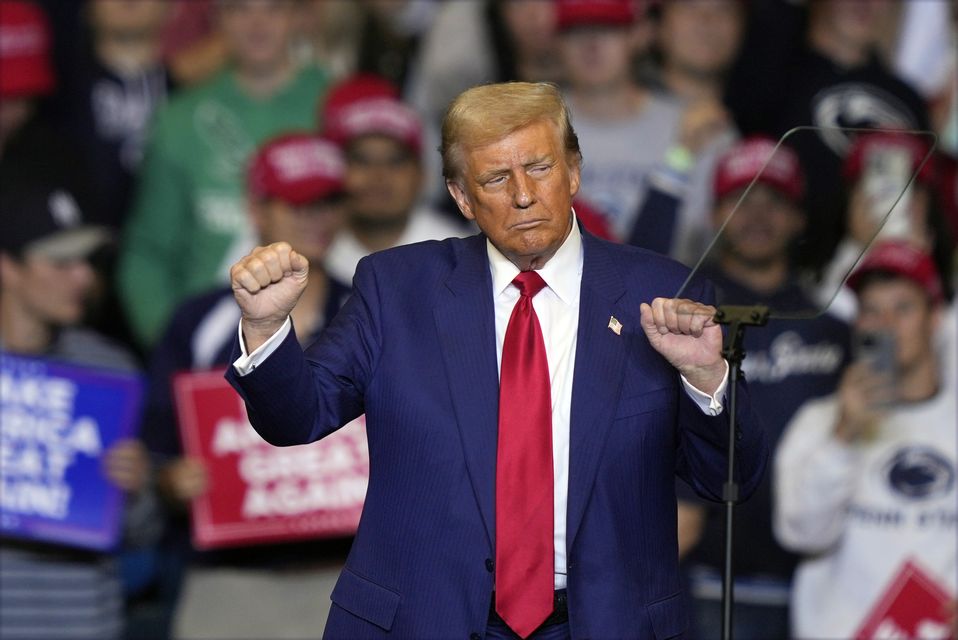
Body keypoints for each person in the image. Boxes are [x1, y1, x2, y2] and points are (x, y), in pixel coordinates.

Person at [225, 81, 767, 639]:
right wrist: (266, 327)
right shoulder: (398, 288)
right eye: (496, 179)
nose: (524, 195)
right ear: (462, 197)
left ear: (574, 171)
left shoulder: (662, 291)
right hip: (420, 620)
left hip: (606, 623)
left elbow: (728, 480)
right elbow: (296, 419)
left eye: (539, 167)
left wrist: (707, 376)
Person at [141, 133, 353, 639]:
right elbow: (156, 446)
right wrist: (172, 480)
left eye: (328, 201)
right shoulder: (199, 321)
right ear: (256, 208)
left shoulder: (371, 309)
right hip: (229, 583)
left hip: (347, 578)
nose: (315, 217)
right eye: (297, 203)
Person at [668, 137, 851, 639]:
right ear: (715, 212)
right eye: (740, 199)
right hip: (700, 575)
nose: (757, 214)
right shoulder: (684, 311)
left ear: (799, 218)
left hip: (813, 583)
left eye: (774, 200)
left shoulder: (830, 325)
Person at [117, 0, 331, 349]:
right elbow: (147, 251)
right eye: (239, 9)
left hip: (323, 340)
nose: (257, 23)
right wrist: (173, 343)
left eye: (273, 9)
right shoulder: (179, 119)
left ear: (299, 16)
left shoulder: (333, 104)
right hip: (208, 347)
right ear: (217, 20)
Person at [0, 176, 157, 640]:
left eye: (86, 262)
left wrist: (135, 488)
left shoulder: (109, 367)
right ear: (7, 267)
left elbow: (141, 533)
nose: (85, 277)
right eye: (62, 262)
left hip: (82, 621)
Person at [775, 240, 956, 639]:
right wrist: (844, 436)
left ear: (936, 318)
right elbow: (800, 533)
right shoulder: (820, 420)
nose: (885, 324)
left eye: (903, 308)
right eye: (871, 311)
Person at [556, 0, 728, 265]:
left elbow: (721, 247)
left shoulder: (696, 129)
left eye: (607, 29)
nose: (591, 44)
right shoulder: (528, 132)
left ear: (639, 34)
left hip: (675, 296)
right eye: (575, 31)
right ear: (556, 41)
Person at [319, 73, 468, 284]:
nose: (378, 176)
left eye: (395, 161)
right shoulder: (314, 251)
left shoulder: (458, 255)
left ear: (421, 175)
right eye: (362, 160)